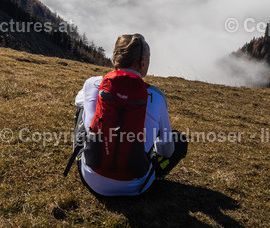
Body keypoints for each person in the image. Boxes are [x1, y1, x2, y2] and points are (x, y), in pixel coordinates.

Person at [70, 33, 187, 197]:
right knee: (178, 140)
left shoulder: (92, 83)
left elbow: (78, 102)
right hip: (136, 187)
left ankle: (86, 158)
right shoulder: (157, 97)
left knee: (82, 107)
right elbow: (166, 151)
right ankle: (151, 176)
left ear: (114, 59)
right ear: (143, 63)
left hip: (91, 177)